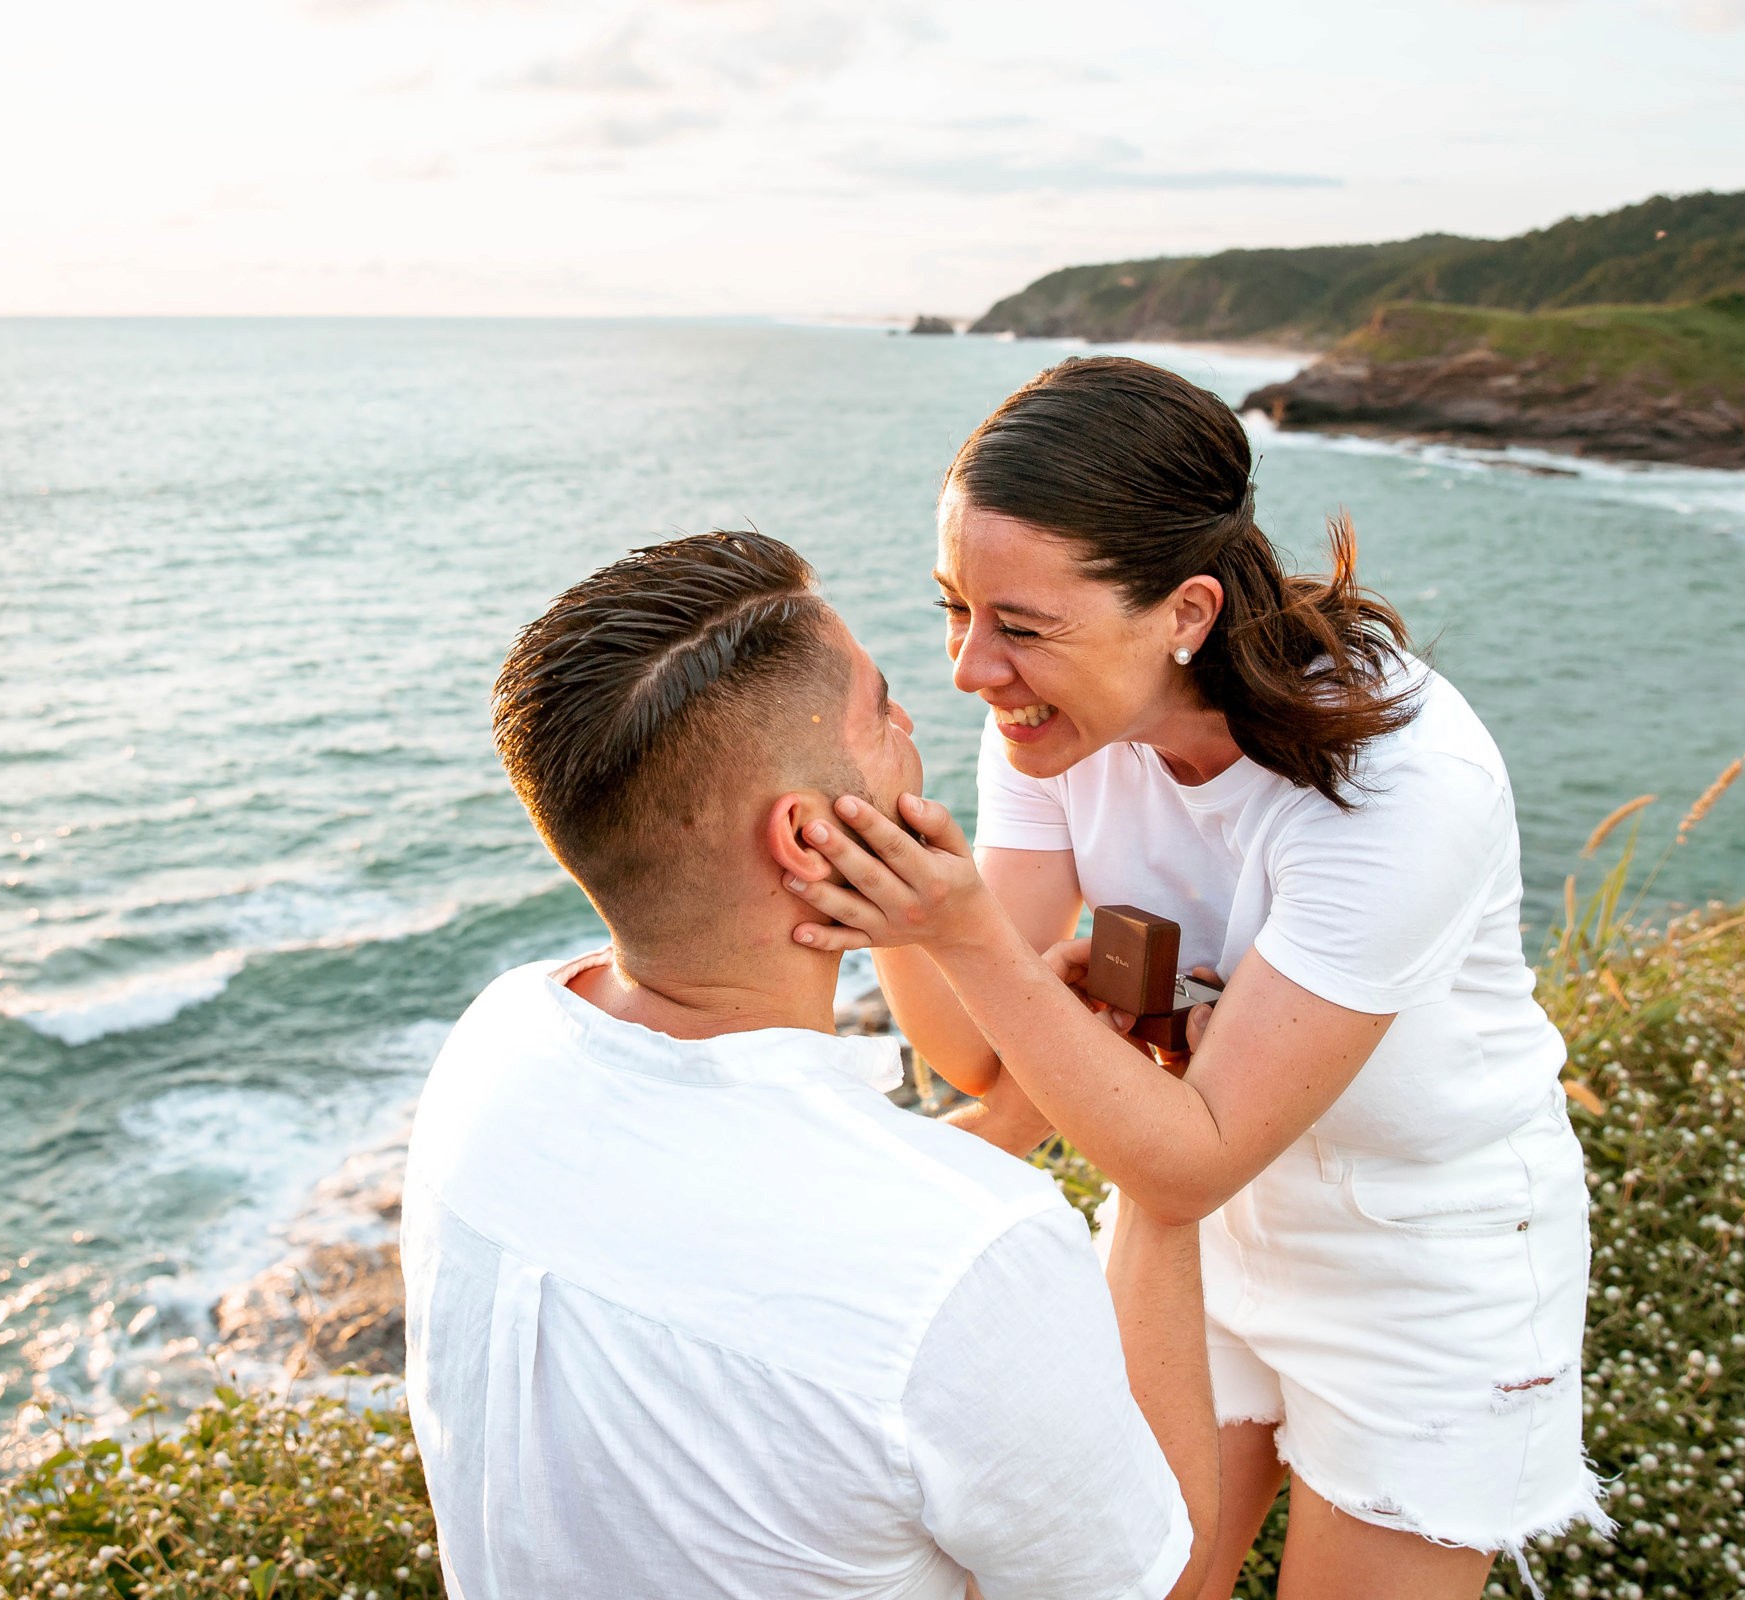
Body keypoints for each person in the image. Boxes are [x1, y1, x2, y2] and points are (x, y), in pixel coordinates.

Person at [782, 358, 1609, 1600]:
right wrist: (895, 844)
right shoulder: (1049, 721)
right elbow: (971, 1055)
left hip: (1420, 1258)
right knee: (1134, 1584)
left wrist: (964, 933)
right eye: (954, 606)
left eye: (1020, 625)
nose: (969, 667)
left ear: (1186, 612)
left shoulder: (1400, 782)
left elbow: (1192, 1149)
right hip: (1194, 1220)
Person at [399, 529, 1221, 1600]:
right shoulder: (973, 1258)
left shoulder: (498, 1045)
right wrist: (1152, 1170)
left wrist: (1014, 1124)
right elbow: (1166, 1580)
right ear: (806, 839)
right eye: (881, 710)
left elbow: (759, 1230)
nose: (919, 721)